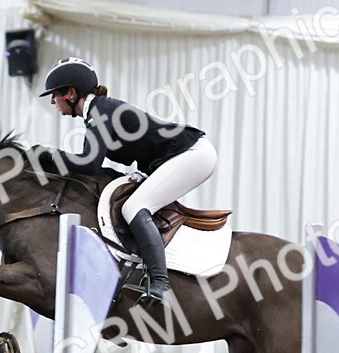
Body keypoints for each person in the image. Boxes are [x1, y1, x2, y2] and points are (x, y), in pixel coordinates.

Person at [37, 57, 217, 303]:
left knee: (135, 207)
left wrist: (49, 155)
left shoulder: (99, 111)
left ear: (70, 93)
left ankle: (161, 283)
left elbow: (89, 163)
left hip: (192, 154)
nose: (52, 101)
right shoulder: (97, 111)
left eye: (55, 94)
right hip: (178, 156)